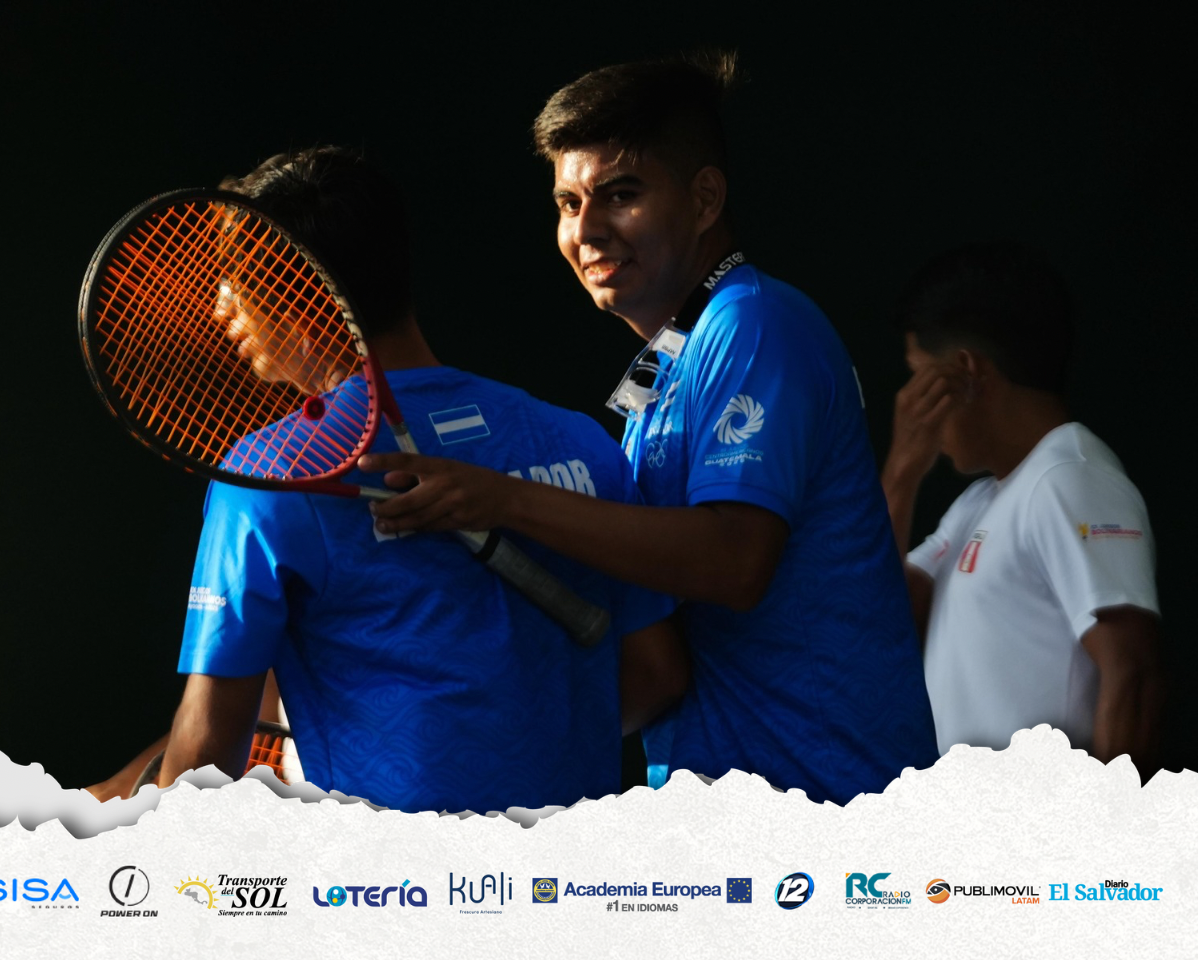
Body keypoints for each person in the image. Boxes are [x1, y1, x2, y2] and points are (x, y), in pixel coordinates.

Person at [364, 53, 939, 805]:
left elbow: (734, 562)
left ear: (704, 199)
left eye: (621, 195)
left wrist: (502, 500)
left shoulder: (754, 324)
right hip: (725, 813)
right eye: (568, 202)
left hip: (830, 814)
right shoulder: (671, 361)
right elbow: (660, 667)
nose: (586, 230)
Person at [87, 146, 684, 812]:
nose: (222, 307)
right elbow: (656, 676)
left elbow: (205, 764)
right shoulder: (581, 442)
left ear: (295, 290)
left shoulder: (269, 476)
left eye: (236, 279)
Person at [881, 241, 1163, 775]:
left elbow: (1134, 674)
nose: (910, 401)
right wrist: (900, 476)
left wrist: (1112, 824)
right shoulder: (979, 503)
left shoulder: (1069, 477)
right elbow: (874, 617)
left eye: (918, 376)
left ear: (964, 372)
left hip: (1044, 827)